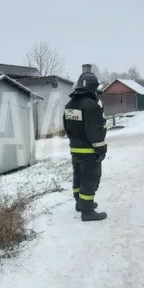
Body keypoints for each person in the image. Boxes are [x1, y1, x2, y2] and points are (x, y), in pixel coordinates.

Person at [63, 67, 108, 222]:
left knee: (78, 176)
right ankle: (87, 211)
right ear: (92, 87)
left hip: (74, 149)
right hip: (89, 150)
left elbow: (67, 128)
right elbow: (95, 131)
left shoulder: (69, 105)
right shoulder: (91, 105)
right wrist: (101, 150)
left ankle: (80, 204)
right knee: (90, 178)